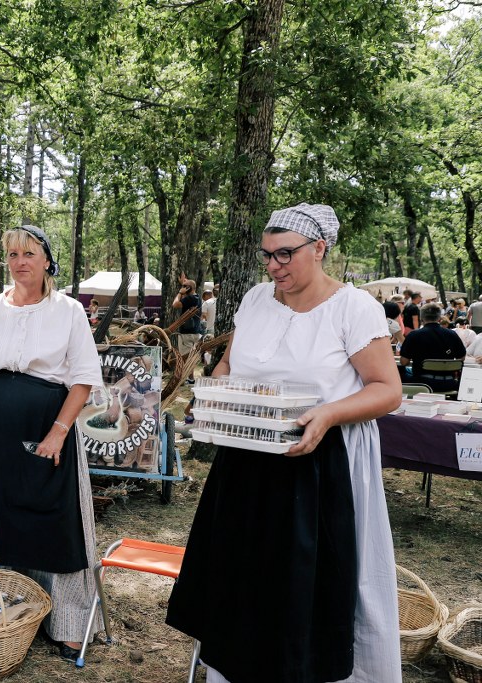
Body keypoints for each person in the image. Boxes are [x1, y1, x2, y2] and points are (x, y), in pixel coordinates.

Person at [166, 203, 403, 682]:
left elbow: (388, 390)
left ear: (319, 249)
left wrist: (330, 412)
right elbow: (231, 365)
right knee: (245, 575)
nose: (274, 266)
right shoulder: (256, 299)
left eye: (285, 254)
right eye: (267, 256)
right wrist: (215, 393)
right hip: (246, 460)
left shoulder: (353, 307)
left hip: (317, 463)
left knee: (304, 584)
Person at [0, 225, 103, 661]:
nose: (20, 261)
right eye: (13, 254)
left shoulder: (69, 310)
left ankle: (68, 622)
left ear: (47, 260)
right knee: (1, 514)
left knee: (57, 520)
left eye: (30, 253)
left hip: (46, 425)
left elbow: (83, 380)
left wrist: (57, 432)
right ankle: (3, 606)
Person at [399, 302, 466, 392]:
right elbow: (461, 358)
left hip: (422, 383)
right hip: (449, 383)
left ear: (421, 318)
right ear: (439, 318)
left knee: (399, 371)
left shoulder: (414, 335)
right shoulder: (452, 334)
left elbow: (404, 362)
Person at [172, 279, 201, 355]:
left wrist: (180, 293)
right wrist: (185, 283)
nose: (183, 288)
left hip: (186, 334)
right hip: (195, 332)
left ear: (189, 288)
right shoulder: (197, 297)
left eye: (185, 286)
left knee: (185, 358)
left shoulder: (190, 298)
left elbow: (175, 304)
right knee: (191, 357)